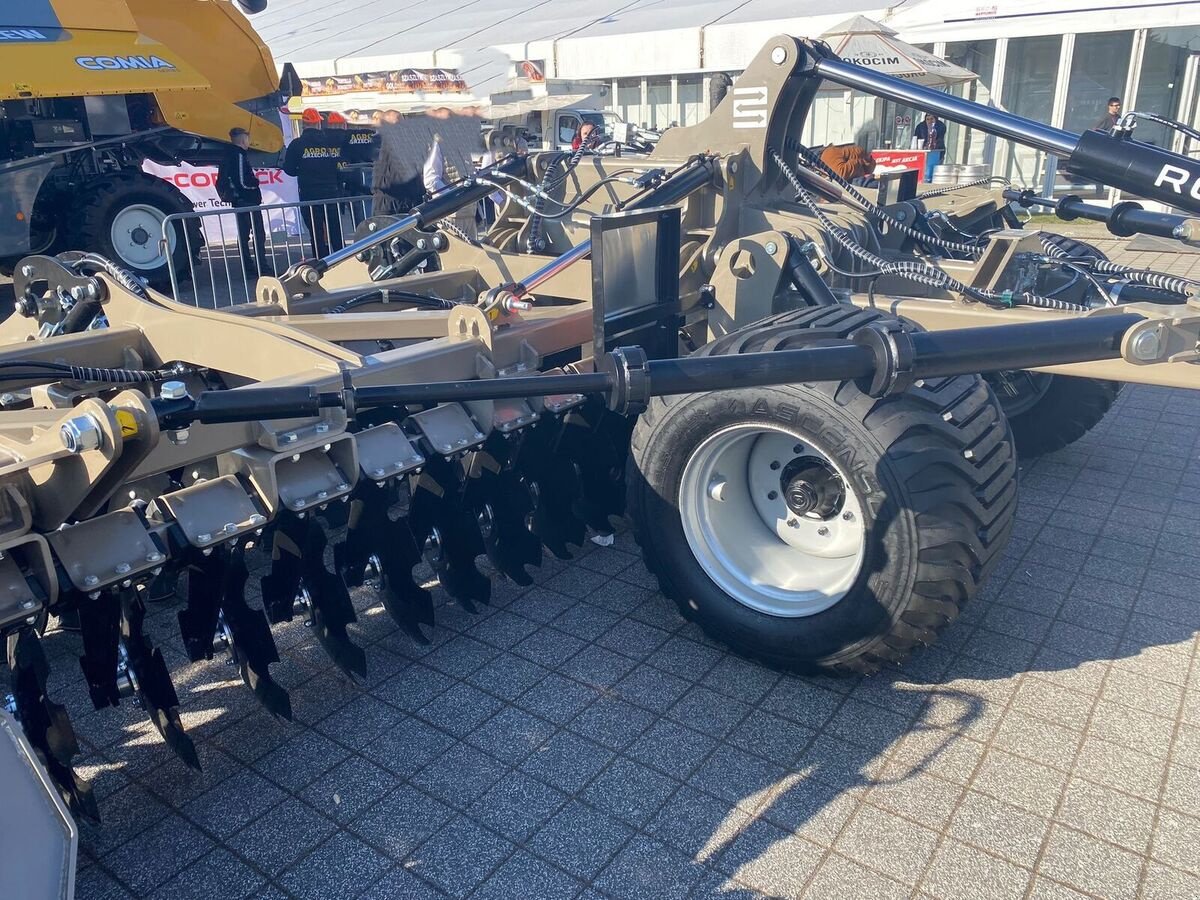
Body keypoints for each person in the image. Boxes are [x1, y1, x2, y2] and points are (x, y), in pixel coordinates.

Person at [282, 107, 345, 257]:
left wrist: (304, 171)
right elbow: (339, 167)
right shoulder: (329, 143)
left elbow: (288, 169)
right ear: (318, 123)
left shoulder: (297, 144)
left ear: (303, 124)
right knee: (335, 230)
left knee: (316, 232)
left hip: (309, 194)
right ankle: (342, 259)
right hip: (331, 192)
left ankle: (321, 261)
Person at [216, 126, 270, 275]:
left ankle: (250, 268)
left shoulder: (229, 154)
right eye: (248, 138)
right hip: (247, 200)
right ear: (243, 139)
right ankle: (261, 267)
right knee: (257, 234)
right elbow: (241, 180)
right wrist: (254, 183)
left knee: (244, 234)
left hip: (240, 200)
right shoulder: (238, 155)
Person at [912, 112, 946, 181]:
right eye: (928, 119)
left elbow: (940, 139)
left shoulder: (941, 126)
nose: (930, 121)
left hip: (937, 151)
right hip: (923, 150)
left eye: (932, 119)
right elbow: (916, 137)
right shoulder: (921, 126)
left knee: (934, 169)